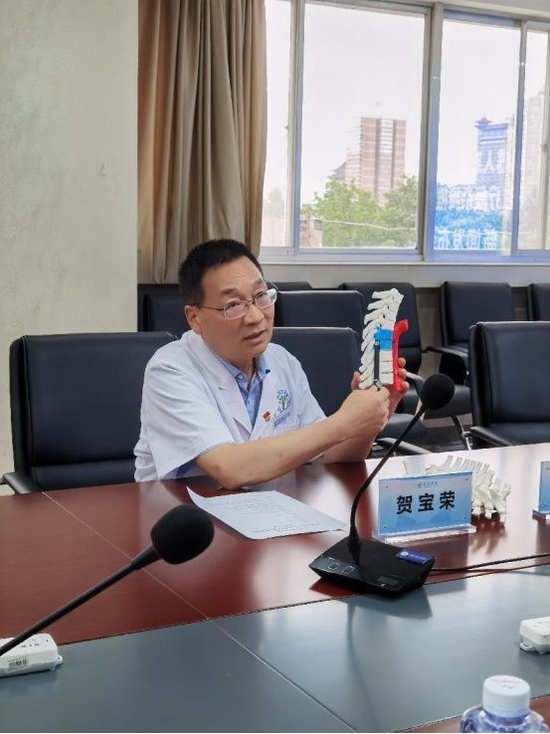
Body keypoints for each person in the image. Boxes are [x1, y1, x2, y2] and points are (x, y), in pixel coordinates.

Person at [134, 239, 408, 489]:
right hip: (189, 517)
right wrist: (344, 421)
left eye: (261, 296)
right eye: (233, 305)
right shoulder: (170, 370)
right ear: (194, 318)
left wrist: (368, 420)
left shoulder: (282, 361)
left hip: (271, 512)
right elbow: (229, 468)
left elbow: (327, 457)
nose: (255, 316)